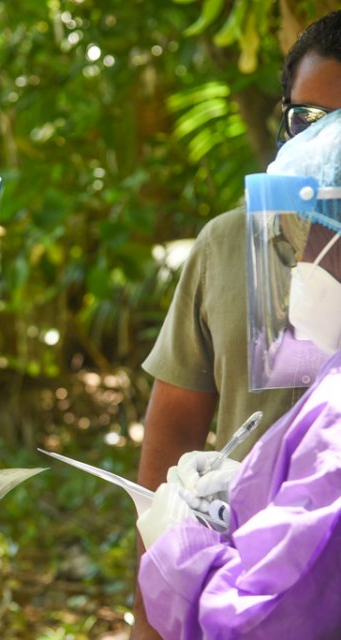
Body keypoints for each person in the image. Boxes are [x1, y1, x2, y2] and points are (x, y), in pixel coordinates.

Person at [132, 11, 341, 637]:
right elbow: (172, 426)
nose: (322, 147)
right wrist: (152, 612)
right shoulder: (228, 245)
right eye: (307, 121)